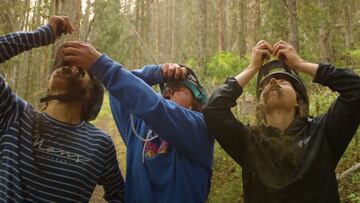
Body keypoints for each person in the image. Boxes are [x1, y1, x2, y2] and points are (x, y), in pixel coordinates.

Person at [203, 40, 360, 203]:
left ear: (298, 101)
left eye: (283, 82)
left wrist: (300, 64)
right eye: (265, 84)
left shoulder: (322, 132)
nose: (272, 82)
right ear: (261, 105)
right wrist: (252, 68)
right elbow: (213, 109)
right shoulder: (248, 140)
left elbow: (355, 88)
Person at [61, 41, 214, 203]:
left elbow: (155, 107)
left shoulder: (199, 128)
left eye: (177, 89)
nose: (168, 92)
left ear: (196, 101)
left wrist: (101, 65)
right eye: (165, 90)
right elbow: (118, 93)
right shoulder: (139, 128)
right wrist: (157, 72)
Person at [0, 16, 125, 202]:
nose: (67, 67)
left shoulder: (100, 144)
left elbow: (120, 195)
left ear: (91, 94)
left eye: (81, 69)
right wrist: (42, 35)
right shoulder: (15, 114)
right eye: (62, 65)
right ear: (48, 86)